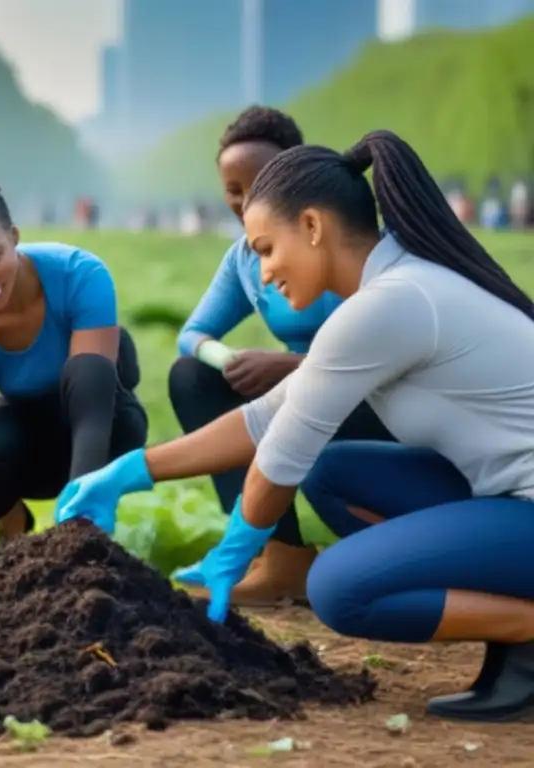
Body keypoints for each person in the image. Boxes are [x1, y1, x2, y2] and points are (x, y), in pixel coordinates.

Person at [56, 128, 534, 721]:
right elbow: (263, 418)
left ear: (312, 226)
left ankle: (527, 634)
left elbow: (280, 456)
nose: (262, 272)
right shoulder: (392, 288)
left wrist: (234, 552)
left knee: (340, 588)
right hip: (504, 495)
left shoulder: (390, 304)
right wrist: (129, 472)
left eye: (264, 249)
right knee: (335, 474)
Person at [169, 106, 394, 607]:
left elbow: (391, 346)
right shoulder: (246, 258)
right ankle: (279, 555)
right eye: (234, 189)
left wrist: (290, 366)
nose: (247, 200)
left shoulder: (354, 239)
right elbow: (192, 334)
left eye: (261, 182)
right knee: (191, 377)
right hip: (306, 392)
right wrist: (227, 357)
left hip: (375, 397)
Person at [0, 174, 148, 545]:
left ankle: (85, 522)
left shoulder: (80, 275)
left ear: (14, 238)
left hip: (103, 427)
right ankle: (13, 528)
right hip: (28, 446)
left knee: (106, 385)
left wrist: (78, 522)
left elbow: (91, 402)